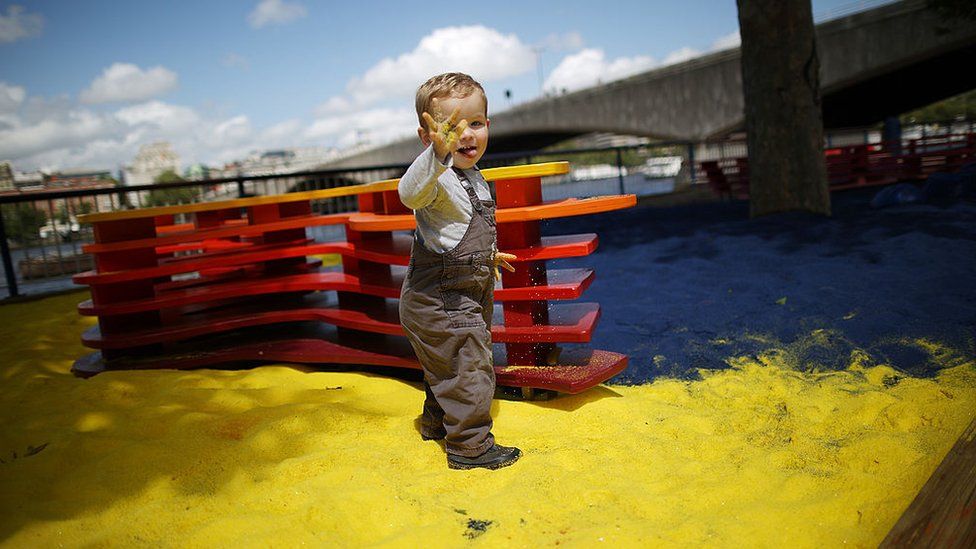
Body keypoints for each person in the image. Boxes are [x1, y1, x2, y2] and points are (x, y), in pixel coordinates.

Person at [398, 72, 521, 470]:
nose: (466, 135)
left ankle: (436, 422)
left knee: (450, 364)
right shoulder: (436, 179)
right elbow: (409, 193)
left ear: (489, 125)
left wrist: (489, 255)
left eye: (476, 123)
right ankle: (470, 447)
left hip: (466, 291)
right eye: (452, 127)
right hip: (439, 300)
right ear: (427, 136)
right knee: (469, 369)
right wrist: (436, 155)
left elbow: (455, 233)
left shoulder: (475, 177)